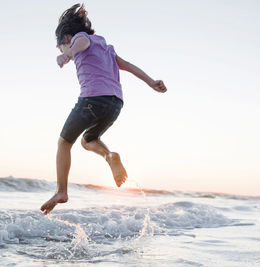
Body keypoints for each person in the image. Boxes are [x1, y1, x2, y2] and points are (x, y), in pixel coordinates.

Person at [40, 4, 167, 215]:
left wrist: (68, 53)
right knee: (88, 140)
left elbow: (80, 42)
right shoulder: (106, 46)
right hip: (115, 104)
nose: (61, 50)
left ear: (66, 37)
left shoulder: (79, 39)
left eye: (60, 46)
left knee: (64, 142)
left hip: (92, 100)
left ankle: (61, 191)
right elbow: (128, 65)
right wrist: (151, 82)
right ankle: (109, 156)